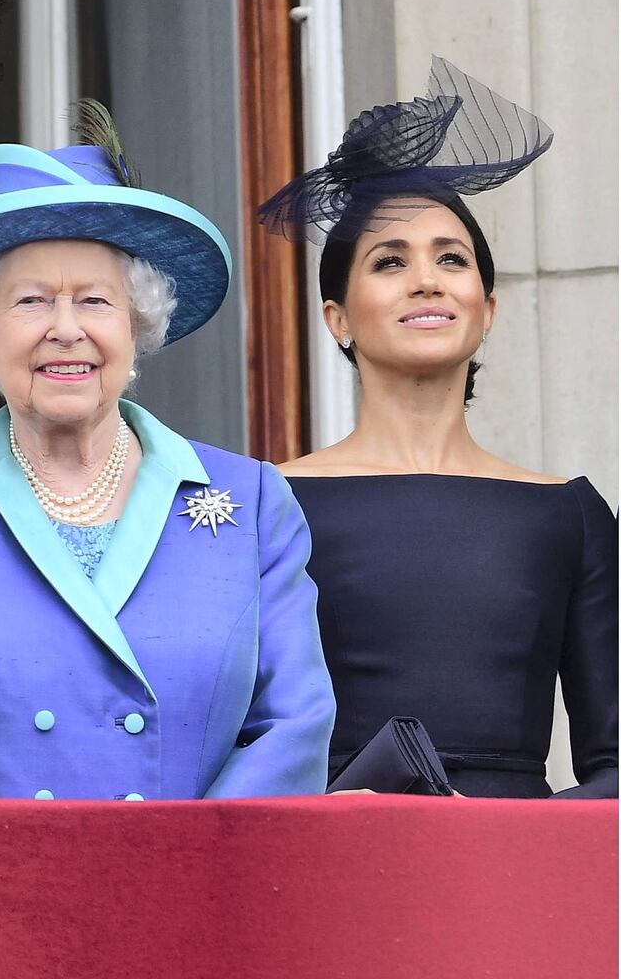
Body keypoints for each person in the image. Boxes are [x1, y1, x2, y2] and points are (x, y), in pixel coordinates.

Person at [0, 102, 335, 800]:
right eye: (30, 302)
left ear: (137, 327)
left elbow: (295, 727)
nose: (66, 330)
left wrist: (186, 866)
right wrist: (10, 865)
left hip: (193, 892)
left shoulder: (252, 499)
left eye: (95, 301)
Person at [259, 57, 618, 799]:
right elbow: (237, 736)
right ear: (339, 319)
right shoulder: (267, 503)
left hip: (517, 882)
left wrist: (517, 843)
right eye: (390, 261)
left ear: (487, 309)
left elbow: (615, 765)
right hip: (331, 867)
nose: (427, 279)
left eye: (450, 259)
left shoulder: (570, 513)